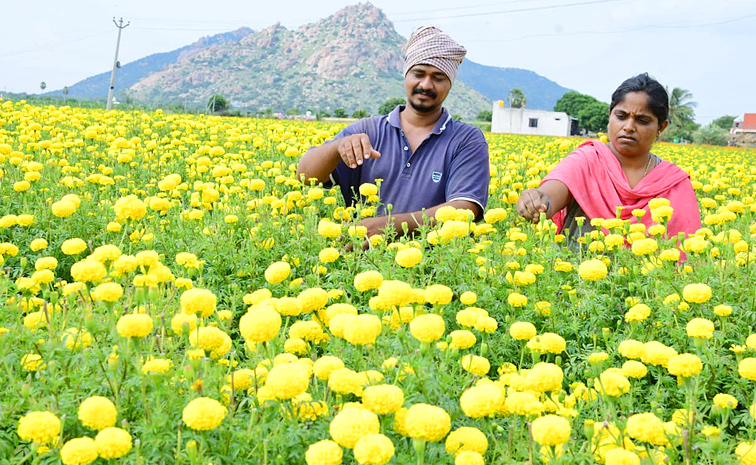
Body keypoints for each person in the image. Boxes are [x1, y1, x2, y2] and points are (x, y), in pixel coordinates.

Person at [296, 26, 490, 244]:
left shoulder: (466, 140)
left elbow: (465, 208)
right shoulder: (368, 129)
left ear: (450, 84)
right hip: (362, 264)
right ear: (406, 75)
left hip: (431, 269)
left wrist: (385, 226)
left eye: (438, 77)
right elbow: (305, 176)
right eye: (418, 74)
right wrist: (336, 147)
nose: (426, 84)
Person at [516, 73, 701, 240]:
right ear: (610, 116)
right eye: (621, 116)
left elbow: (686, 250)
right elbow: (550, 195)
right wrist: (536, 201)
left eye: (642, 120)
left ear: (661, 127)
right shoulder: (587, 160)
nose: (628, 126)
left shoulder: (674, 183)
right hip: (576, 275)